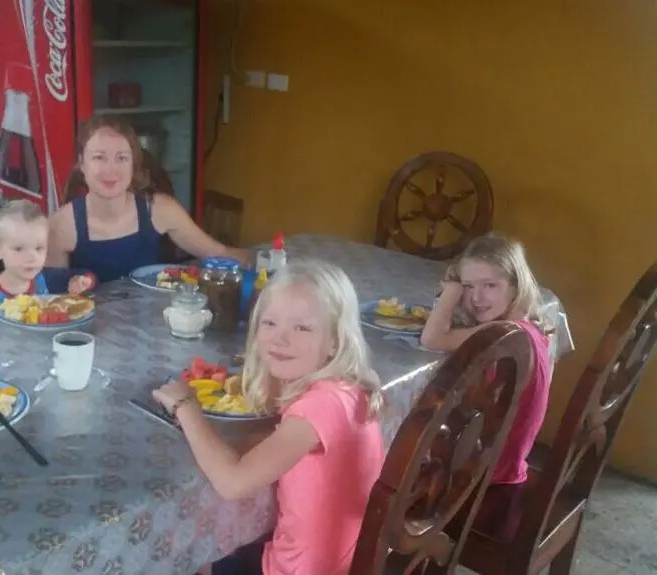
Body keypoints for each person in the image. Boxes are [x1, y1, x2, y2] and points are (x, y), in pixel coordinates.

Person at [153, 261, 385, 575]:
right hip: (349, 563)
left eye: (302, 328)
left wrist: (186, 406)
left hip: (299, 571)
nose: (280, 339)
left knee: (194, 558)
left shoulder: (320, 405)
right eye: (270, 323)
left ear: (336, 340)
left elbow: (232, 483)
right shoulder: (347, 388)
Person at [46, 115, 252, 283]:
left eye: (122, 158)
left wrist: (263, 263)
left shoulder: (160, 210)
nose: (111, 169)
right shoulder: (61, 226)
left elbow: (219, 253)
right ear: (82, 164)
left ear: (133, 165)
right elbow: (51, 300)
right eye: (99, 157)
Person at [420, 233, 552, 485]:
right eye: (468, 286)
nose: (476, 298)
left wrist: (450, 292)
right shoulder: (529, 327)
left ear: (516, 286)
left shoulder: (502, 334)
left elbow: (432, 339)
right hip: (507, 464)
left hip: (476, 476)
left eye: (490, 285)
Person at [0, 198, 95, 312]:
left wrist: (82, 282)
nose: (32, 257)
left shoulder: (48, 279)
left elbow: (87, 275)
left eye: (38, 248)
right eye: (19, 249)